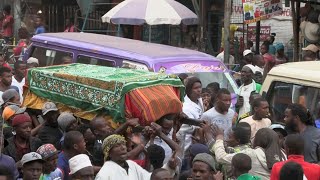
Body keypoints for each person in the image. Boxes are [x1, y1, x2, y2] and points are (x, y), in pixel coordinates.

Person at [210, 127, 286, 180]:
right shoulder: (283, 155)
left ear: (258, 140)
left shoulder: (251, 153)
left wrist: (219, 138)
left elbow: (221, 157)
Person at [178, 76, 204, 152]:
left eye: (200, 87)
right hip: (187, 141)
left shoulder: (199, 101)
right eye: (196, 88)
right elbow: (187, 127)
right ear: (189, 90)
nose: (199, 90)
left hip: (197, 140)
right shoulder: (185, 106)